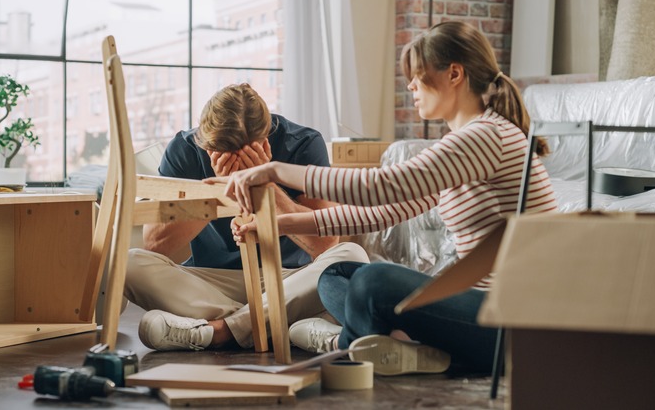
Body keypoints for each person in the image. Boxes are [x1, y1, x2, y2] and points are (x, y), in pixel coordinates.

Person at [209, 22, 557, 374]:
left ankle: (352, 352)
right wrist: (277, 224)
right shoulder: (473, 140)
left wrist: (274, 171)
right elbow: (382, 213)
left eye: (418, 76)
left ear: (454, 74)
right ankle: (402, 348)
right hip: (480, 314)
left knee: (373, 282)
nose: (410, 86)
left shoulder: (486, 136)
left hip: (511, 320)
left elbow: (380, 186)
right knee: (335, 275)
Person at [124, 83, 369, 352]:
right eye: (221, 153)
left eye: (244, 154)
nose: (235, 162)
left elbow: (325, 245)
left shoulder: (302, 143)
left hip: (288, 277)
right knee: (127, 263)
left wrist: (265, 182)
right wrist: (222, 188)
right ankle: (280, 324)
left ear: (266, 138)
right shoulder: (185, 149)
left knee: (352, 255)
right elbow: (156, 246)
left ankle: (220, 331)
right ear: (204, 140)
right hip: (209, 281)